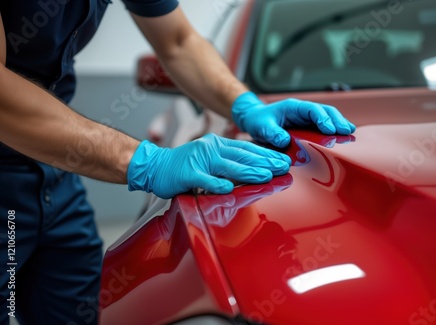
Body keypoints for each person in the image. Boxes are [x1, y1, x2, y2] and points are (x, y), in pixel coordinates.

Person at [0, 0, 355, 324]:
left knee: (78, 308)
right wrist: (147, 161)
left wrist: (247, 106)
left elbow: (179, 41)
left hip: (56, 177)